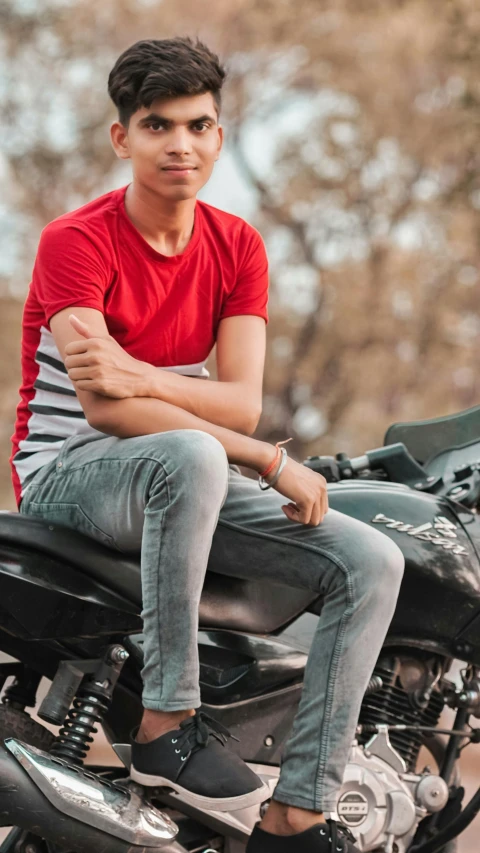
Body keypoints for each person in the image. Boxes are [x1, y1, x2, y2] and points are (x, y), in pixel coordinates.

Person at [10, 37, 405, 853]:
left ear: (220, 136)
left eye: (199, 125)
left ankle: (298, 813)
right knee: (193, 452)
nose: (181, 145)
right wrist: (262, 457)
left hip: (182, 481)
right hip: (67, 475)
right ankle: (165, 723)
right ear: (123, 138)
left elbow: (242, 399)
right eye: (158, 125)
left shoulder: (238, 247)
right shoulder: (74, 242)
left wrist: (143, 377)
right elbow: (105, 410)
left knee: (373, 562)